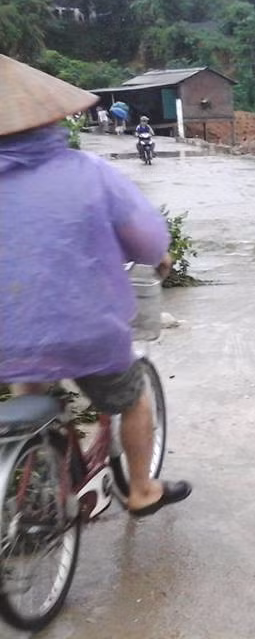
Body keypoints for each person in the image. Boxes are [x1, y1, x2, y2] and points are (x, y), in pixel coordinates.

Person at [0, 54, 191, 516]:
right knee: (132, 398)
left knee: (31, 379)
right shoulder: (89, 173)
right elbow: (146, 237)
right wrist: (159, 257)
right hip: (86, 331)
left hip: (7, 333)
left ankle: (36, 485)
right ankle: (141, 490)